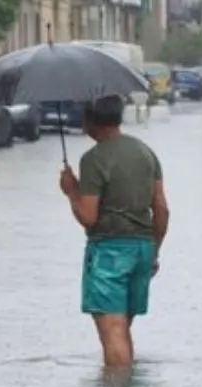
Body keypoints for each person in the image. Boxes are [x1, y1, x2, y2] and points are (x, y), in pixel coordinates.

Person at [58, 95, 169, 370]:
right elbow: (162, 210)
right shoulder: (146, 152)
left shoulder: (94, 159)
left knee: (112, 332)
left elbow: (88, 217)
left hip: (110, 253)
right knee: (122, 330)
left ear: (91, 122)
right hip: (143, 250)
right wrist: (155, 251)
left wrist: (72, 191)